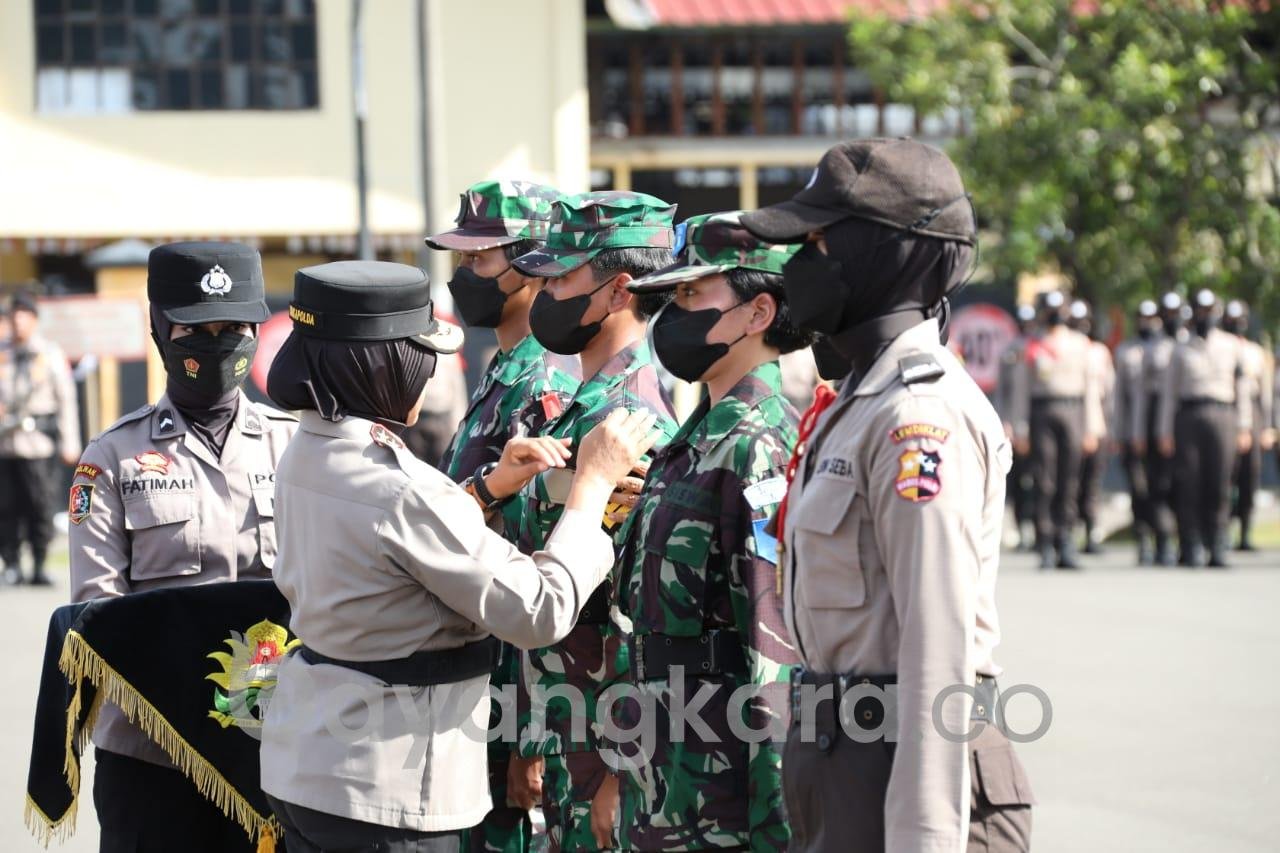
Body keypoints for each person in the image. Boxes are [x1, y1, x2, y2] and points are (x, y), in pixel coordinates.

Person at [258, 259, 659, 853]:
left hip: (313, 766)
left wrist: (489, 489)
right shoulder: (396, 487)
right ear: (382, 363)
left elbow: (396, 557)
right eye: (421, 356)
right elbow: (537, 611)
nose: (431, 374)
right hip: (388, 791)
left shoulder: (309, 450)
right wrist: (591, 489)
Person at [741, 138, 1032, 852]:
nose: (797, 265)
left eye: (814, 242)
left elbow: (938, 650)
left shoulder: (916, 418)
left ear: (883, 253)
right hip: (843, 762)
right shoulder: (860, 401)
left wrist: (925, 837)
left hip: (906, 766)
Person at [68, 242, 297, 851]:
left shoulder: (295, 448)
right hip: (151, 750)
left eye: (233, 328)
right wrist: (189, 706)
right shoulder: (110, 457)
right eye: (198, 329)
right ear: (160, 330)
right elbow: (99, 609)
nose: (218, 343)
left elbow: (321, 589)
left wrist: (251, 689)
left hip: (269, 736)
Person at [610, 211, 812, 851]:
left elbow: (772, 649)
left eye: (693, 294)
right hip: (667, 769)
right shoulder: (696, 436)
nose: (675, 313)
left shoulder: (758, 442)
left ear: (758, 313)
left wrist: (776, 824)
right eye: (673, 296)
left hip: (723, 792)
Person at [506, 190, 680, 851]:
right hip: (563, 731)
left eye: (561, 277)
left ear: (618, 290)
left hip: (601, 749)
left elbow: (642, 615)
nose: (543, 290)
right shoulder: (579, 409)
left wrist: (619, 768)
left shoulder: (632, 421)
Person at [424, 178, 582, 853]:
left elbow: (544, 566)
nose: (465, 275)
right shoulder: (503, 367)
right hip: (482, 677)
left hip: (517, 693)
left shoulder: (546, 381)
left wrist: (532, 734)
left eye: (479, 259)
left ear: (529, 262)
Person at [1156, 288, 1251, 568]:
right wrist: (1165, 431)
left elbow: (1242, 390)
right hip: (1189, 416)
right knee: (1189, 481)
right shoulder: (1181, 348)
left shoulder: (1232, 346)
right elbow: (1169, 394)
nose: (1204, 316)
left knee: (1220, 481)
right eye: (1199, 311)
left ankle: (1218, 542)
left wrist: (1244, 426)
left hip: (1223, 415)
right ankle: (1191, 543)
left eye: (1208, 311)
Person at [1008, 290, 1100, 569]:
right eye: (1050, 309)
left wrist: (1092, 428)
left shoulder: (1081, 344)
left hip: (1073, 411)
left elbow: (1091, 389)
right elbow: (1021, 390)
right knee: (1044, 480)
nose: (1055, 315)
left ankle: (1066, 540)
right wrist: (1020, 428)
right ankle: (1045, 542)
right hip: (1041, 412)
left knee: (1069, 480)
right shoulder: (1032, 345)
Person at [0, 291, 80, 586]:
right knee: (6, 508)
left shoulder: (49, 354)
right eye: (14, 316)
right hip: (5, 446)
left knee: (40, 506)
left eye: (24, 316)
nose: (18, 322)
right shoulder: (2, 353)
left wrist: (71, 441)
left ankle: (40, 564)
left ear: (34, 320)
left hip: (38, 444)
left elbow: (66, 400)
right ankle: (11, 564)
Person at [1222, 300, 1273, 551]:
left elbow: (1265, 393)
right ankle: (1223, 531)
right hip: (1227, 411)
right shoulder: (1220, 347)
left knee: (1250, 475)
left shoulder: (1256, 351)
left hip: (1253, 413)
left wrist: (1267, 427)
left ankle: (1245, 532)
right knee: (1225, 473)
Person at [1113, 300, 1161, 564]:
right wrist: (1118, 434)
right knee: (1138, 489)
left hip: (1160, 434)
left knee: (1162, 488)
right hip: (1133, 433)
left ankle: (1164, 539)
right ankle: (1143, 540)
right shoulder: (1126, 352)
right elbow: (1118, 398)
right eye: (1142, 316)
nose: (1147, 321)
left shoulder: (1167, 349)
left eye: (1151, 316)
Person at [1067, 299, 1114, 554]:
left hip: (1096, 427)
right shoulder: (1062, 350)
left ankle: (1092, 532)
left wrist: (1108, 428)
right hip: (1073, 426)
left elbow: (1109, 394)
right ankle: (1068, 534)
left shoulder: (1099, 352)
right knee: (1069, 483)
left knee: (1093, 485)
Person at [996, 304, 1036, 550]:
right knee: (1018, 482)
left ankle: (1043, 531)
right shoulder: (1008, 352)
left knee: (1042, 481)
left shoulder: (1041, 351)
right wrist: (1006, 423)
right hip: (1015, 426)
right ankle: (1022, 530)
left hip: (1039, 424)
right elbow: (1003, 393)